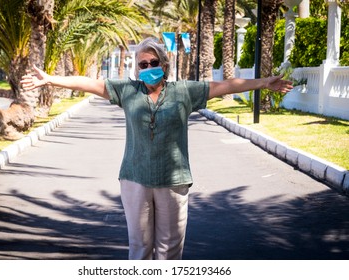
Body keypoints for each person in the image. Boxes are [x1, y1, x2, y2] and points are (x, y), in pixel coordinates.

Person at [20, 37, 293, 260]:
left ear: (163, 63)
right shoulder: (127, 90)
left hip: (173, 181)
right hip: (135, 178)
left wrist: (263, 83)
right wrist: (50, 79)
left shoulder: (183, 91)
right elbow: (89, 83)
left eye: (153, 62)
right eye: (143, 64)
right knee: (139, 249)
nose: (148, 66)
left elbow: (223, 85)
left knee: (170, 251)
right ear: (137, 68)